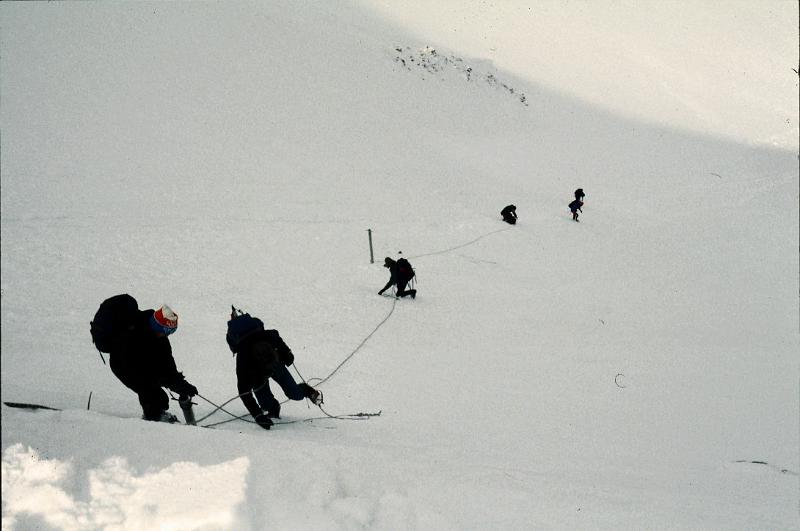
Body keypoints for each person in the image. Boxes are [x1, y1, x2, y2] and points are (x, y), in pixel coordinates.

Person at [231, 312, 323, 430]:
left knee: (294, 394)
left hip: (276, 365)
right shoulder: (244, 361)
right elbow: (244, 392)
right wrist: (258, 416)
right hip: (258, 375)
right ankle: (273, 408)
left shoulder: (267, 338)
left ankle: (306, 389)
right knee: (265, 403)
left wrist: (286, 352)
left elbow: (275, 336)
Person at [108, 304, 198, 422]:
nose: (166, 335)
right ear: (158, 326)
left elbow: (168, 367)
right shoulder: (135, 334)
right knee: (152, 392)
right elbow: (143, 370)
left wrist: (181, 385)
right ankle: (153, 419)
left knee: (156, 391)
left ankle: (157, 415)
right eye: (166, 331)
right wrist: (165, 380)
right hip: (123, 364)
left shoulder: (160, 339)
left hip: (142, 365)